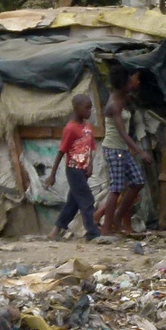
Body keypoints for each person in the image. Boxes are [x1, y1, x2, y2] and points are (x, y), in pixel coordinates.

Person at [95, 67, 151, 236]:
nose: (133, 83)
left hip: (121, 149)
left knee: (137, 182)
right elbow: (122, 133)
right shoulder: (114, 104)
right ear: (124, 83)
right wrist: (140, 152)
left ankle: (117, 218)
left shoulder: (122, 98)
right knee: (116, 188)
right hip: (114, 148)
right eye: (131, 80)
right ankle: (106, 228)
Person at [49, 94, 99, 240]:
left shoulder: (88, 127)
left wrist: (90, 165)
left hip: (83, 170)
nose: (90, 111)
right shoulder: (70, 128)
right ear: (76, 109)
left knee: (73, 203)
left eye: (91, 108)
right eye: (87, 108)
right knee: (87, 199)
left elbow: (91, 148)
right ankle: (92, 233)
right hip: (73, 170)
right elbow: (61, 151)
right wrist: (52, 174)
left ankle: (54, 231)